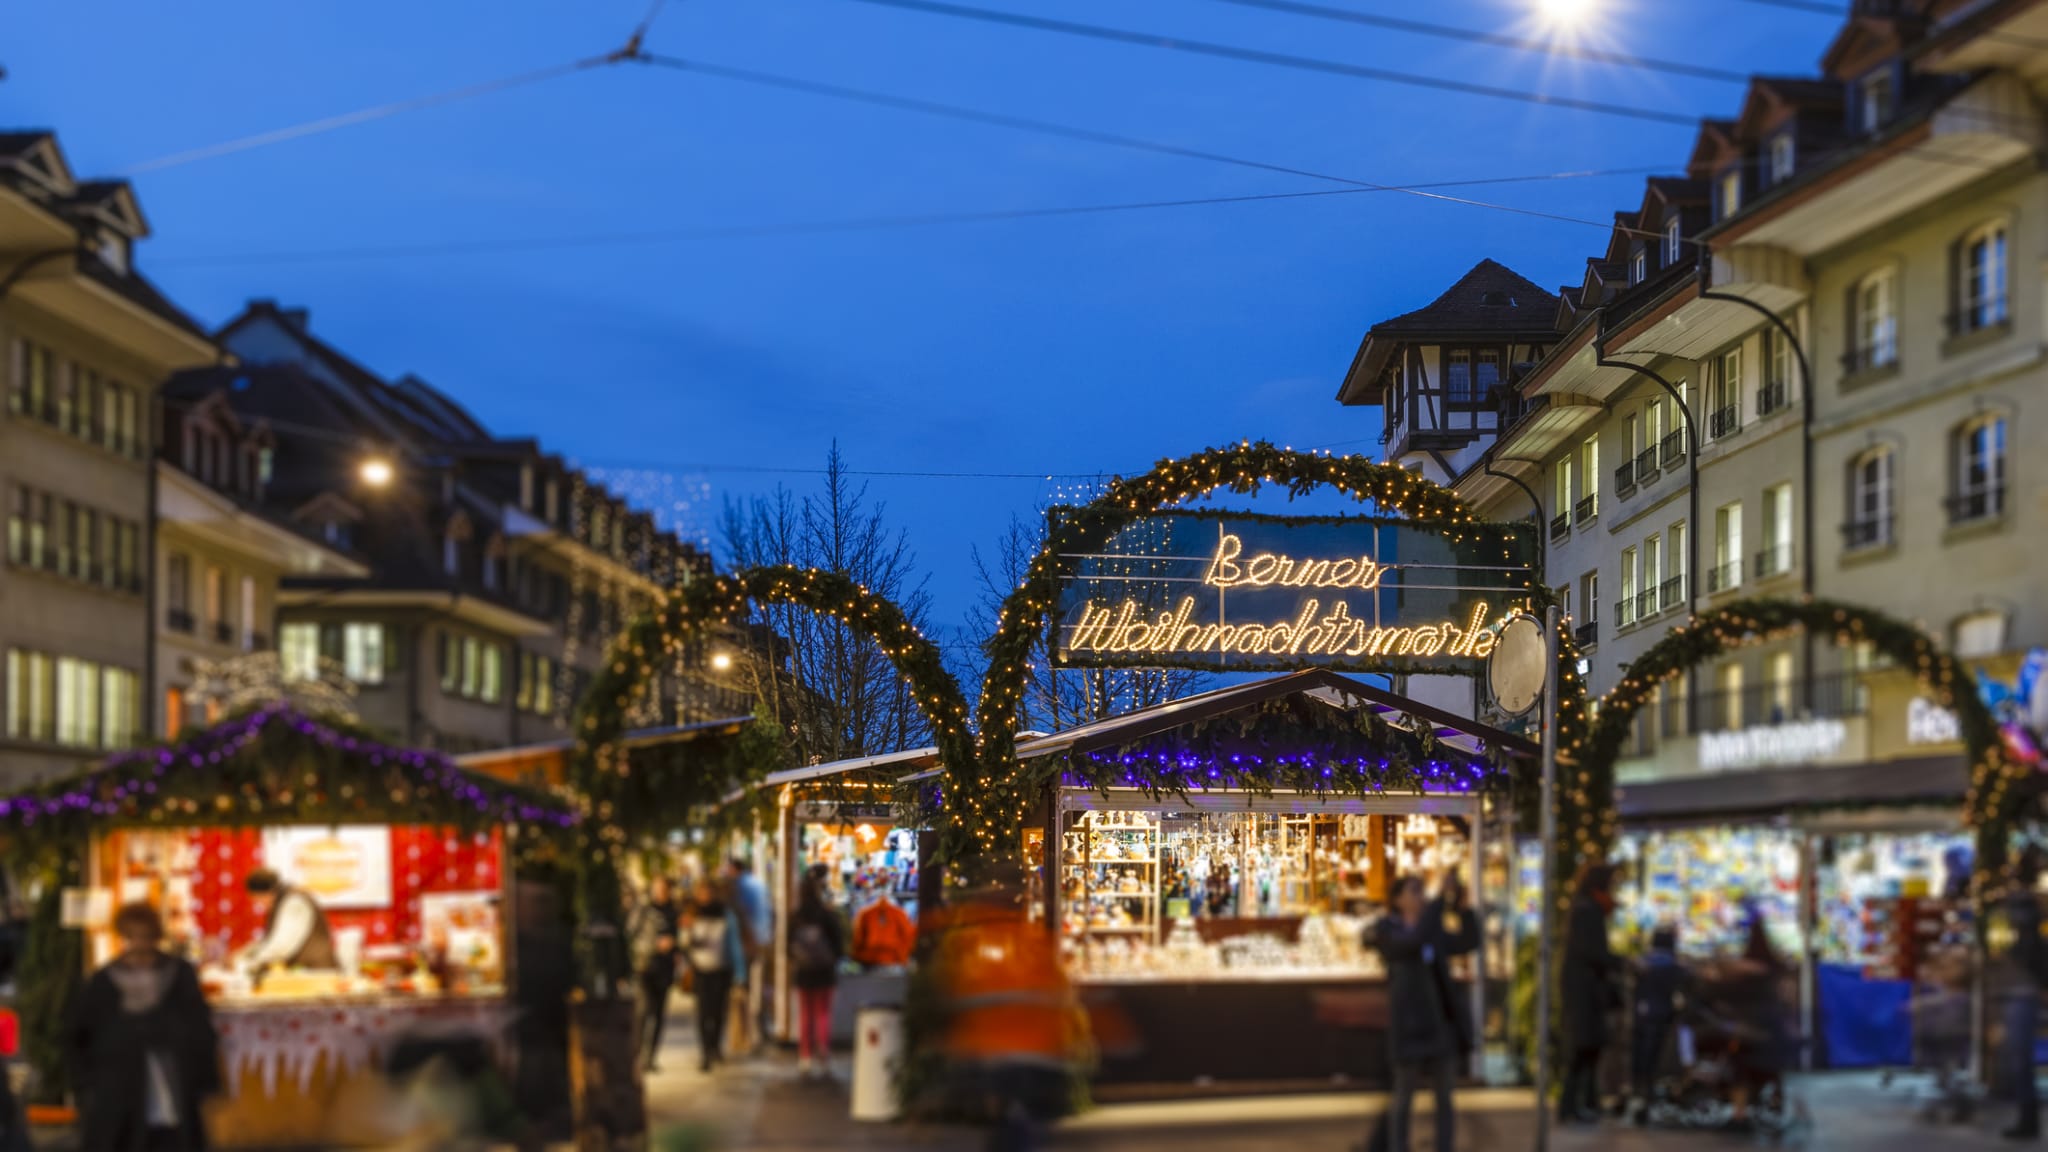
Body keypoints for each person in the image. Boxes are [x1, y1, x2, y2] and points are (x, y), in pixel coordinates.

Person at [928, 857, 1088, 1152]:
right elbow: (1059, 993)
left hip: (993, 1056)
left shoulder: (972, 936)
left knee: (1011, 1128)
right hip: (1035, 1056)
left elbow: (952, 990)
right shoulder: (1031, 940)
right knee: (1023, 1128)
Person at [68, 903, 221, 1152]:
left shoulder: (178, 973)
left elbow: (198, 1026)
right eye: (133, 936)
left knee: (171, 1136)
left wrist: (203, 1076)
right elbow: (84, 1031)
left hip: (171, 1073)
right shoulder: (105, 980)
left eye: (145, 936)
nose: (140, 943)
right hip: (120, 1082)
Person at [1367, 874, 1478, 1152]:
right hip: (1407, 1025)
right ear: (1397, 899)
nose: (1421, 897)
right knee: (1404, 1096)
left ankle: (1444, 1146)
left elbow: (1467, 941)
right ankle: (1398, 1146)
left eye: (1422, 891)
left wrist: (1464, 909)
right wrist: (1440, 902)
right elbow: (1412, 942)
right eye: (1414, 891)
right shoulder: (1387, 929)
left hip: (1438, 1024)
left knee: (1444, 1097)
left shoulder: (1432, 930)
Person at [1559, 862, 1618, 1125]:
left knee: (1587, 1050)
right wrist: (1618, 961)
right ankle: (1573, 1105)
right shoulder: (1588, 910)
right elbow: (1592, 952)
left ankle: (1583, 1103)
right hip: (1584, 992)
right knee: (1583, 1050)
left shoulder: (1587, 908)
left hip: (1586, 990)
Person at [681, 879, 744, 1073]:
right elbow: (683, 943)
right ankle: (706, 1052)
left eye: (708, 892)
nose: (705, 897)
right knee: (702, 1013)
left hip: (721, 970)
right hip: (700, 971)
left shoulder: (725, 915)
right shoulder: (691, 915)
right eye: (702, 893)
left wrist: (740, 974)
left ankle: (715, 1046)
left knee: (718, 1012)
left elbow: (734, 945)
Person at [2006, 845, 2047, 1141]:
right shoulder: (2024, 902)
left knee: (2020, 1055)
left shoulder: (2026, 904)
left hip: (2029, 985)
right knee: (2019, 1056)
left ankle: (2028, 1117)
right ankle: (2027, 1117)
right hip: (2027, 984)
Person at [790, 870, 848, 1077]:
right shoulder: (828, 915)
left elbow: (789, 946)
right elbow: (839, 945)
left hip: (804, 972)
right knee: (823, 1013)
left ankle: (805, 1057)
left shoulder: (797, 916)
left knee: (806, 1015)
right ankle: (824, 1055)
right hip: (825, 971)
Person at [1628, 925, 1686, 1125]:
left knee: (1642, 1059)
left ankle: (1640, 1095)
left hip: (1642, 1017)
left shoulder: (1644, 964)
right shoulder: (1672, 966)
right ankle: (1647, 1096)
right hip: (1662, 1017)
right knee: (1655, 1060)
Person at [237, 867, 338, 973]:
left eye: (258, 900)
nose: (260, 905)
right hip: (307, 972)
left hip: (317, 973)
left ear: (265, 894)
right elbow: (272, 941)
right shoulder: (284, 900)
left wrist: (253, 963)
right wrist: (247, 953)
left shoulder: (294, 901)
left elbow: (282, 945)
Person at [627, 876, 680, 1072]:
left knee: (658, 1014)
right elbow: (631, 934)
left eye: (663, 889)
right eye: (657, 889)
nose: (660, 893)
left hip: (665, 970)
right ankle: (637, 1055)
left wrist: (675, 946)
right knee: (643, 1011)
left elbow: (680, 937)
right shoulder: (643, 910)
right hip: (644, 967)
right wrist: (654, 945)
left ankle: (650, 1058)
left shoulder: (674, 911)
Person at [722, 857, 771, 1056]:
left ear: (734, 869)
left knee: (743, 992)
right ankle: (756, 1033)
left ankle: (746, 1036)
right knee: (756, 992)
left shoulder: (740, 888)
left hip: (745, 946)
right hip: (760, 943)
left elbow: (742, 920)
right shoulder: (758, 884)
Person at [852, 887, 915, 969]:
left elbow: (858, 938)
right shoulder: (900, 913)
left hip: (869, 958)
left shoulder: (865, 913)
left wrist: (857, 955)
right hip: (894, 958)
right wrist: (903, 955)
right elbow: (908, 936)